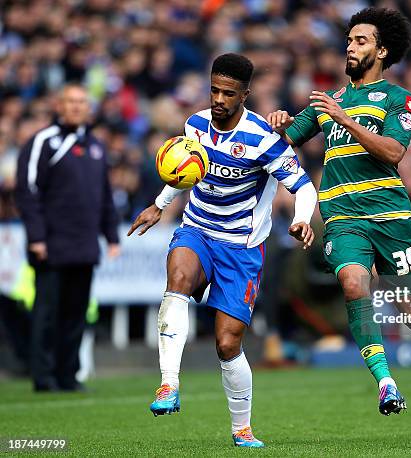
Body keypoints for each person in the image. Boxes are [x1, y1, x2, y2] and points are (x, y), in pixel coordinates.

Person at [267, 7, 411, 425]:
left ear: (382, 50)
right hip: (341, 215)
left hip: (390, 215)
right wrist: (277, 123)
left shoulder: (399, 99)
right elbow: (281, 142)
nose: (350, 46)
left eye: (360, 40)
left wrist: (344, 121)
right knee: (353, 284)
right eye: (349, 39)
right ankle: (386, 383)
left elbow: (394, 152)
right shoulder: (330, 100)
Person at [128, 53, 317, 448]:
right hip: (197, 228)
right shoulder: (194, 124)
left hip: (241, 247)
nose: (218, 99)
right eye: (214, 89)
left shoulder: (263, 140)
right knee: (178, 279)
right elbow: (185, 169)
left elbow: (303, 186)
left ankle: (241, 428)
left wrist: (301, 218)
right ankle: (168, 385)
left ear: (244, 95)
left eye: (227, 93)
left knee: (228, 344)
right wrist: (159, 204)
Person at [15, 83, 120, 392]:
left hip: (85, 244)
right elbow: (28, 191)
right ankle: (44, 376)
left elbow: (104, 196)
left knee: (76, 314)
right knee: (47, 313)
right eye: (70, 102)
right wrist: (37, 237)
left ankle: (68, 374)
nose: (76, 107)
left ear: (88, 108)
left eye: (81, 102)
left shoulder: (96, 146)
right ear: (58, 105)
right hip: (51, 243)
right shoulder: (43, 142)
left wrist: (111, 236)